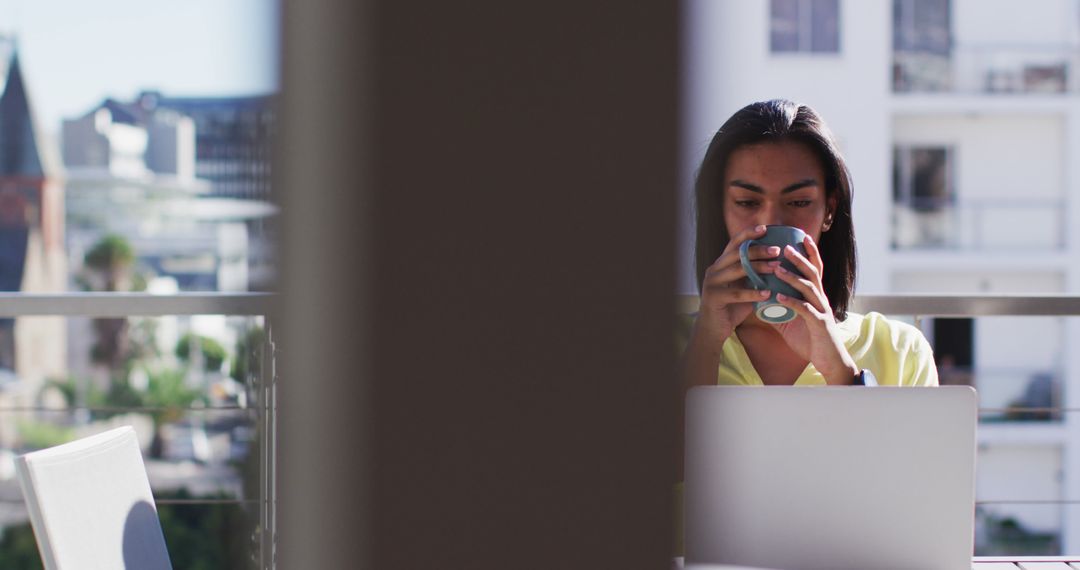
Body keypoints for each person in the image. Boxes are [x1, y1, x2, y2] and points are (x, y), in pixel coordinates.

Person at [679, 98, 938, 391]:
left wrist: (838, 369)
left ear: (829, 211)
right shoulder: (666, 345)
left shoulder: (900, 350)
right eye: (747, 202)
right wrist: (708, 339)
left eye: (799, 202)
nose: (771, 221)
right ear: (720, 211)